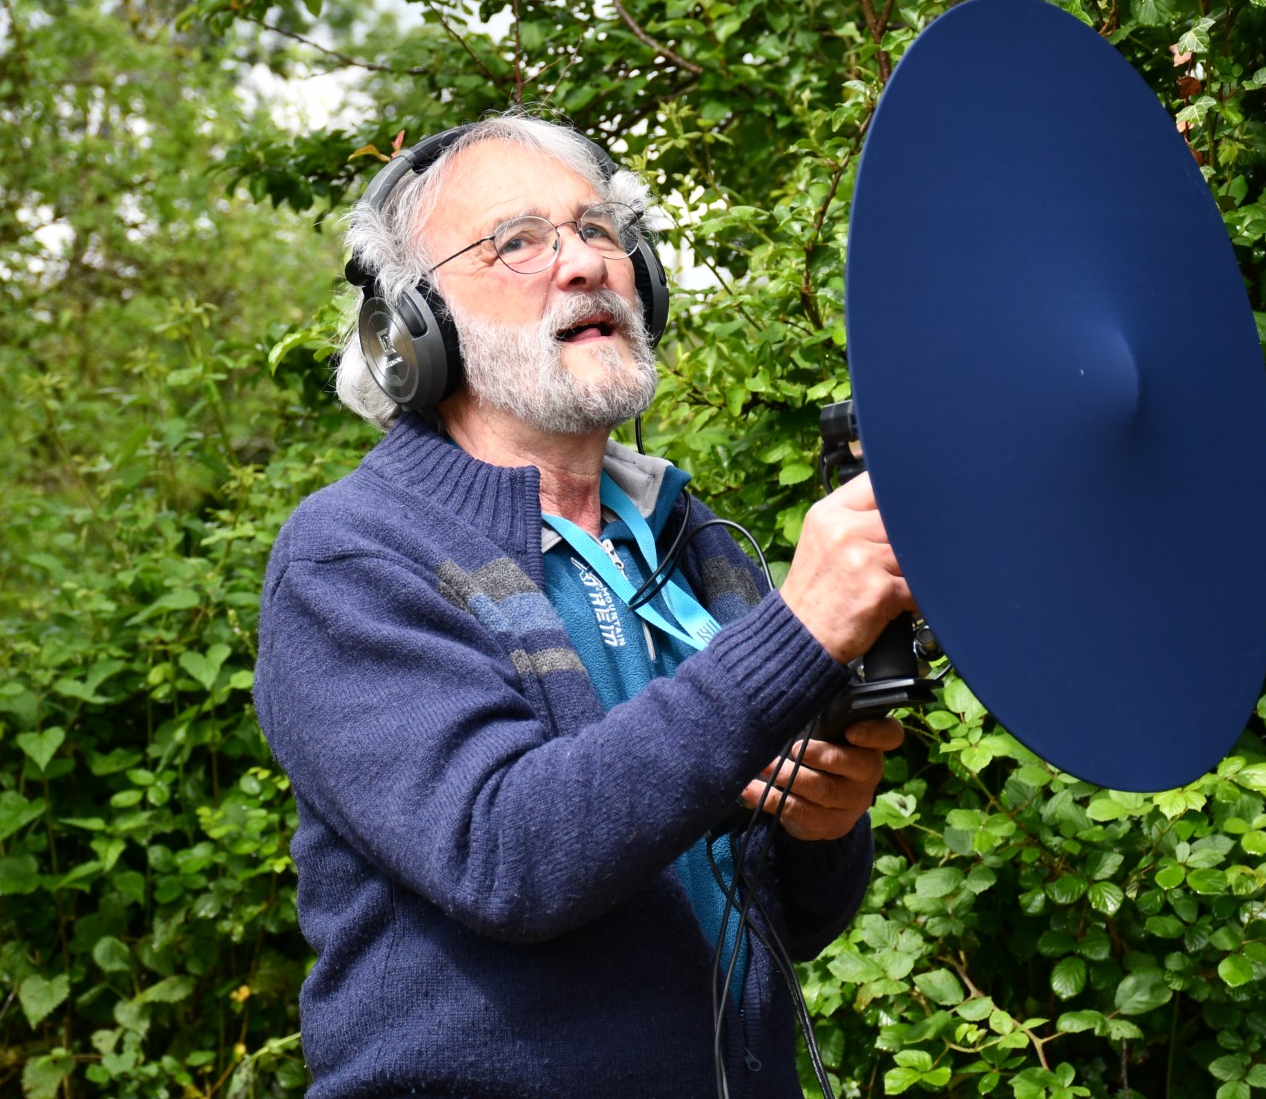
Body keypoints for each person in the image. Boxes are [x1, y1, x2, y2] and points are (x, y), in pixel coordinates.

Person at [252, 112, 914, 1098]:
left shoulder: (699, 545)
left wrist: (821, 826)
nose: (583, 264)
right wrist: (798, 629)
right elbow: (507, 853)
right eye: (518, 241)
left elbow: (782, 913)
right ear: (414, 330)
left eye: (599, 230)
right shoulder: (351, 553)